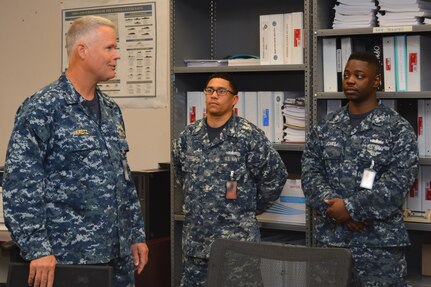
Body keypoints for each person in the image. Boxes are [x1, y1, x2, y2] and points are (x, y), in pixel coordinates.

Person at [2, 15, 148, 287]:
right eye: (110, 48)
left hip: (117, 257)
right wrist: (37, 249)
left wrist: (136, 235)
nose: (117, 56)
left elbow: (123, 179)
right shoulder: (43, 108)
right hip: (67, 259)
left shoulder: (111, 110)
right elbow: (20, 184)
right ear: (82, 50)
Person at [301, 51, 418, 286]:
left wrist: (351, 208)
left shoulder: (397, 129)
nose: (350, 80)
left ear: (376, 81)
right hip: (331, 243)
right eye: (346, 75)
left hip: (378, 248)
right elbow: (310, 174)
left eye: (359, 75)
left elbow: (397, 184)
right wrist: (337, 210)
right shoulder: (326, 127)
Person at [172, 72, 288, 286]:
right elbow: (182, 177)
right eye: (209, 90)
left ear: (234, 99)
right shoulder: (187, 138)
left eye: (221, 91)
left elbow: (276, 177)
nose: (214, 95)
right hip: (196, 245)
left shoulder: (249, 136)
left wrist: (249, 207)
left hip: (237, 244)